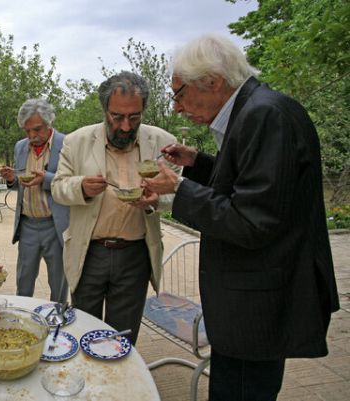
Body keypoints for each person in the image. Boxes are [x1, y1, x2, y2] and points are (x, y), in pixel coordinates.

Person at [143, 34, 340, 400]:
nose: (177, 107)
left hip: (255, 311)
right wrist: (198, 164)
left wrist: (178, 189)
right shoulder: (257, 110)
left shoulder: (264, 115)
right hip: (250, 306)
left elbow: (252, 220)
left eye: (179, 93)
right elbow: (256, 183)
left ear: (213, 81)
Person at [51, 72, 179, 344]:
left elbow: (178, 191)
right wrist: (82, 187)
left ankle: (121, 383)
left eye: (134, 117)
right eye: (117, 117)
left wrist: (156, 200)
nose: (124, 126)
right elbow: (58, 188)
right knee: (85, 329)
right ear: (104, 110)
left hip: (135, 255)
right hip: (90, 252)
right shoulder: (76, 142)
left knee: (123, 336)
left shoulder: (162, 142)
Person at [0, 99, 69, 303]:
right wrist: (12, 179)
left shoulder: (67, 144)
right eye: (27, 130)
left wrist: (46, 179)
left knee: (58, 284)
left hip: (55, 225)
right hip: (28, 225)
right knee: (24, 282)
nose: (31, 136)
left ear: (49, 123)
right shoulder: (20, 147)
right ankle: (23, 324)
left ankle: (58, 324)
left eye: (37, 129)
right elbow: (20, 183)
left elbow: (73, 183)